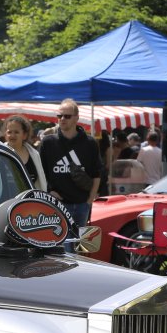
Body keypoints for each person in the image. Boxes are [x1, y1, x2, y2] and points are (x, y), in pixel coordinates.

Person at [36, 98, 104, 249]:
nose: (62, 119)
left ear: (76, 118)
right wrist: (49, 191)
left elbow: (97, 173)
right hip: (58, 204)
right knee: (63, 247)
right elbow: (40, 172)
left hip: (82, 204)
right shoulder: (48, 142)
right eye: (59, 116)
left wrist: (90, 198)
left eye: (67, 116)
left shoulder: (90, 143)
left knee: (81, 247)